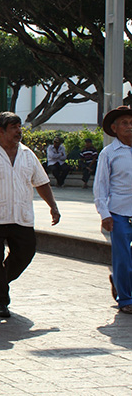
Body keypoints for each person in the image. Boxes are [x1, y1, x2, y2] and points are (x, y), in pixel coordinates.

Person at [0, 111, 60, 318]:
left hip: (21, 216)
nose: (18, 132)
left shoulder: (27, 154)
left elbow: (41, 181)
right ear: (0, 130)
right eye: (13, 128)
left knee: (26, 252)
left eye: (19, 127)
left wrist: (53, 206)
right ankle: (0, 302)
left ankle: (0, 281)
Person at [94, 106, 132, 314]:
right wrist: (104, 213)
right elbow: (101, 186)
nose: (129, 127)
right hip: (119, 213)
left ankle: (119, 281)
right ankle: (125, 299)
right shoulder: (109, 153)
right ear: (114, 128)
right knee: (123, 258)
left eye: (131, 123)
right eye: (124, 123)